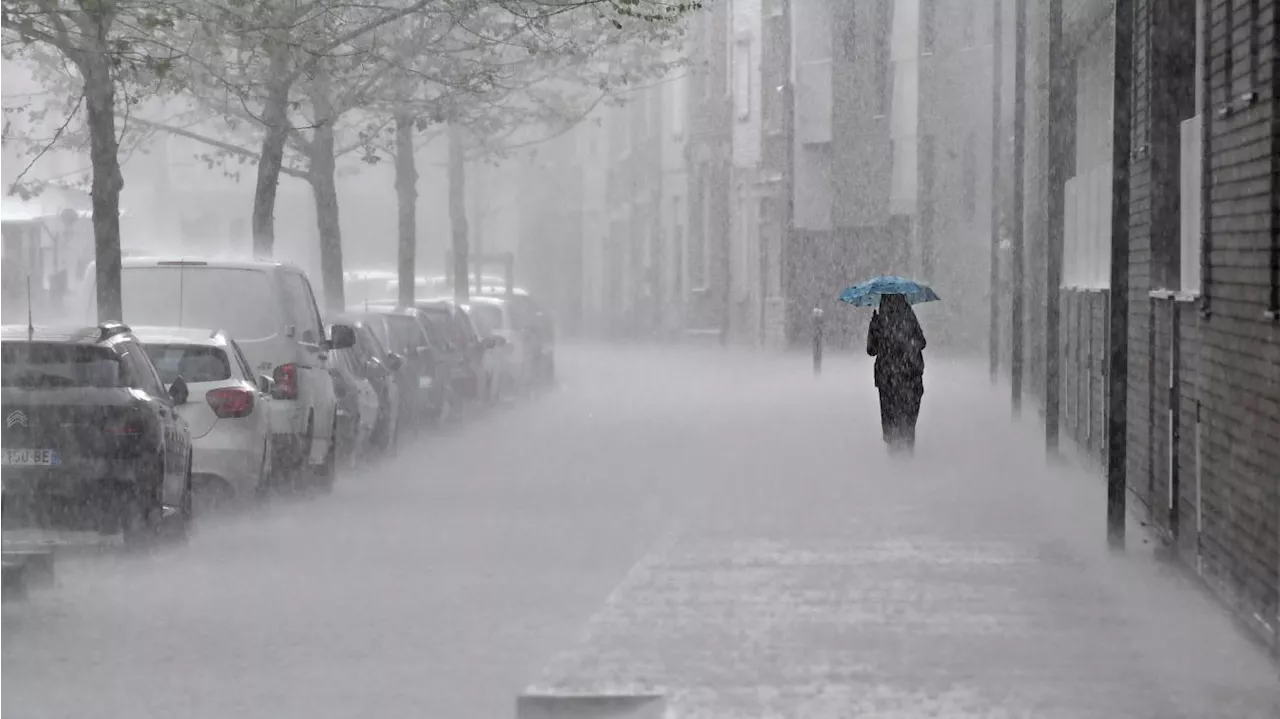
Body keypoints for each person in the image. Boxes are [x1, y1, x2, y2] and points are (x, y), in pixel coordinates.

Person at [865, 294, 927, 451]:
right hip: (910, 376)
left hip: (888, 379)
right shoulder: (909, 317)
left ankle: (895, 461)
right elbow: (922, 342)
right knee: (907, 422)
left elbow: (871, 350)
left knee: (891, 421)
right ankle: (906, 458)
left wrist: (874, 329)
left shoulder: (880, 321)